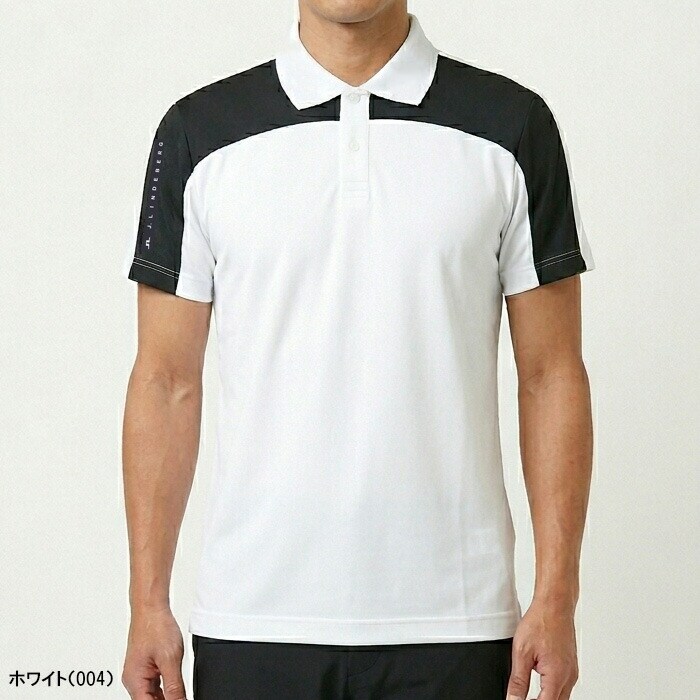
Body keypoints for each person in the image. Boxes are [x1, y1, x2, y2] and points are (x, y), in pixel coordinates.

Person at [120, 1, 595, 698]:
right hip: (254, 621)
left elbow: (552, 375)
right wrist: (147, 602)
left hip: (455, 624)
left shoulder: (512, 126)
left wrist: (557, 597)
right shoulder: (199, 133)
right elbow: (164, 380)